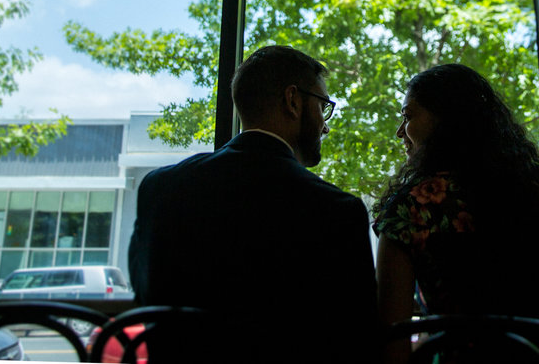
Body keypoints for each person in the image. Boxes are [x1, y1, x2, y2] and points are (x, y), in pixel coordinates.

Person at [128, 45, 377, 363]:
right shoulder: (337, 211)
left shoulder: (158, 188)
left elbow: (146, 294)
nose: (325, 125)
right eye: (323, 106)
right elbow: (357, 339)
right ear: (293, 101)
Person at [373, 64, 539, 362]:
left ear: (446, 119)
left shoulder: (410, 208)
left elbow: (392, 350)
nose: (399, 132)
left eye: (407, 116)